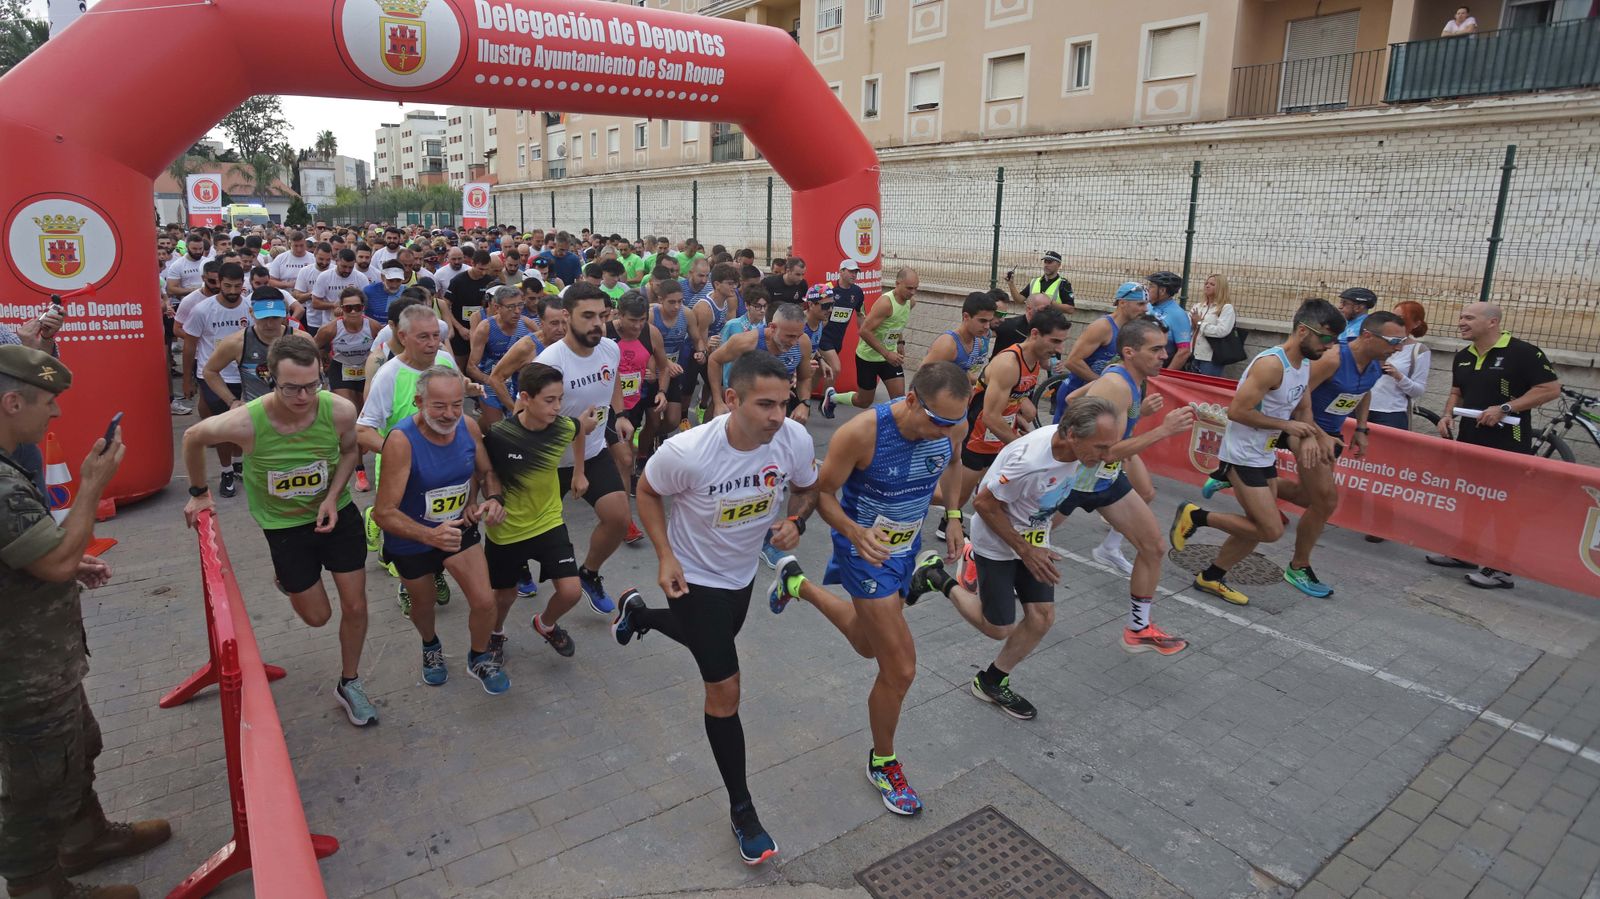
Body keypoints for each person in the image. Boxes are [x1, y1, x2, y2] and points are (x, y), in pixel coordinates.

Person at [609, 352, 816, 866]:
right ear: (731, 399)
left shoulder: (794, 439)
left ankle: (639, 614)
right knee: (724, 689)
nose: (777, 415)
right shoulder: (690, 451)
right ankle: (743, 810)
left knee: (704, 638)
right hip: (695, 577)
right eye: (764, 404)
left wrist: (797, 522)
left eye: (784, 403)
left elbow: (810, 489)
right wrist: (665, 554)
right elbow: (648, 491)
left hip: (742, 574)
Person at [0, 346, 169, 899]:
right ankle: (38, 888)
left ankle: (85, 837)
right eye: (48, 403)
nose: (55, 415)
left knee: (77, 746)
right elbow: (50, 560)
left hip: (42, 659)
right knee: (36, 781)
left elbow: (37, 556)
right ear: (12, 401)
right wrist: (93, 482)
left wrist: (68, 564)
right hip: (19, 673)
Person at [764, 363, 969, 813]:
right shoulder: (861, 433)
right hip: (865, 552)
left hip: (906, 545)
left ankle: (795, 582)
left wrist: (952, 516)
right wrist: (855, 534)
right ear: (912, 399)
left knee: (865, 642)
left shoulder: (951, 424)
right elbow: (823, 493)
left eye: (954, 423)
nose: (945, 431)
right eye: (938, 421)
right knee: (900, 670)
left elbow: (955, 465)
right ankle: (883, 762)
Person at [181, 338, 376, 726]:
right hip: (284, 527)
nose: (302, 396)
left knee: (355, 605)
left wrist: (333, 495)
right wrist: (199, 494)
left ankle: (349, 682)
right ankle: (288, 579)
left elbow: (351, 452)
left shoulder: (338, 410)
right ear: (270, 378)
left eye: (311, 385)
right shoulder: (245, 421)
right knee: (318, 617)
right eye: (291, 388)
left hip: (335, 516)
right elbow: (192, 438)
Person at [1169, 299, 1347, 606]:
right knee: (1270, 528)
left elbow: (1304, 409)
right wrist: (1286, 427)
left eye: (1336, 342)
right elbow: (1237, 411)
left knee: (1255, 525)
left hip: (1263, 454)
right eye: (1327, 339)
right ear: (1304, 332)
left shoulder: (1303, 365)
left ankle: (1211, 577)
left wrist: (1316, 438)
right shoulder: (1271, 364)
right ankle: (1196, 515)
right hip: (1240, 455)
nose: (1331, 348)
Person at [1059, 319, 1196, 651]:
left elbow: (1075, 396)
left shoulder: (1133, 381)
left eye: (1165, 348)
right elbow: (1107, 453)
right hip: (1076, 479)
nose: (1165, 355)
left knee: (1153, 547)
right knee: (1021, 535)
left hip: (1105, 480)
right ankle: (975, 552)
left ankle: (1138, 628)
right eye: (1156, 350)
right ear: (1130, 352)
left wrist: (1136, 410)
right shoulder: (1117, 385)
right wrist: (1162, 430)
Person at [372, 366, 510, 693]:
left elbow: (486, 471)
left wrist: (490, 499)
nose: (449, 414)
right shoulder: (401, 441)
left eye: (456, 405)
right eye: (439, 406)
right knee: (424, 604)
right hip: (411, 538)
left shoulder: (469, 427)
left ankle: (479, 657)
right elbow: (383, 513)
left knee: (485, 600)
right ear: (419, 402)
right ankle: (430, 645)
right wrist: (428, 535)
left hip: (459, 528)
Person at [1425, 302, 1560, 589]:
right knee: (1473, 499)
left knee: (1505, 506)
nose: (1461, 321)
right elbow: (1456, 391)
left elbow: (1550, 388)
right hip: (1470, 442)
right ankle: (1466, 553)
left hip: (1508, 444)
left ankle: (1501, 570)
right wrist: (1447, 414)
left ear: (1492, 322)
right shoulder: (1462, 355)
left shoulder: (1522, 352)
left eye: (1468, 317)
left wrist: (1506, 407)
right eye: (1460, 316)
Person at [482, 362, 597, 662]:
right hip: (507, 529)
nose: (557, 407)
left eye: (560, 398)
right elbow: (486, 473)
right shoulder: (499, 435)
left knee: (571, 591)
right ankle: (495, 633)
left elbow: (580, 431)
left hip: (548, 522)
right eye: (549, 400)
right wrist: (487, 502)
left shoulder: (562, 426)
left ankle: (544, 624)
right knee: (504, 597)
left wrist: (579, 472)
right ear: (525, 398)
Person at [356, 304, 462, 615]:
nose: (432, 344)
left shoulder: (444, 360)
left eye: (436, 336)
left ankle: (435, 573)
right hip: (401, 471)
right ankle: (409, 583)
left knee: (442, 523)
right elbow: (363, 430)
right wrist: (402, 455)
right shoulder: (389, 374)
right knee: (411, 535)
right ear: (402, 337)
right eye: (423, 337)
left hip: (444, 466)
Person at [534, 284, 633, 616]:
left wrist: (618, 416)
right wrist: (576, 429)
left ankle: (589, 574)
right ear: (566, 316)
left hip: (591, 452)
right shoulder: (550, 361)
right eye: (587, 316)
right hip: (547, 462)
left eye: (602, 316)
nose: (597, 324)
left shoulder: (609, 349)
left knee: (618, 519)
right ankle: (516, 570)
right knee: (528, 538)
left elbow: (613, 381)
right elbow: (531, 420)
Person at [952, 306, 1071, 529]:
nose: (1059, 349)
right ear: (1035, 334)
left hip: (1000, 438)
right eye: (1055, 341)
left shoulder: (1035, 360)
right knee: (952, 499)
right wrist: (1028, 446)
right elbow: (989, 417)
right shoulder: (1008, 364)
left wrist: (1024, 423)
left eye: (1062, 342)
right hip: (978, 437)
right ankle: (906, 501)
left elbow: (1013, 402)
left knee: (994, 496)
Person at [183, 262, 250, 497]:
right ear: (219, 283)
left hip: (244, 373)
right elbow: (190, 345)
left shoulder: (250, 308)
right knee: (224, 425)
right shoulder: (203, 310)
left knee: (244, 423)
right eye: (228, 286)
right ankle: (226, 471)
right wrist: (187, 380)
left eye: (237, 286)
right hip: (212, 375)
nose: (232, 291)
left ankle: (239, 462)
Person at [822, 267, 919, 415]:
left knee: (899, 401)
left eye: (916, 288)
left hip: (890, 357)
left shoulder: (910, 302)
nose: (912, 292)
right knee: (864, 401)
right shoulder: (886, 304)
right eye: (909, 288)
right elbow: (864, 331)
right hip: (868, 357)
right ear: (897, 283)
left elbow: (897, 323)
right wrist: (887, 353)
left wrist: (900, 343)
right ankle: (833, 398)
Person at [315, 287, 382, 491]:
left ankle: (361, 446)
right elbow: (314, 345)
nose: (353, 312)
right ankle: (359, 471)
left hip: (366, 373)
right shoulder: (331, 329)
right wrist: (322, 362)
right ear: (341, 309)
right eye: (348, 308)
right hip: (341, 369)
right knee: (350, 416)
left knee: (365, 418)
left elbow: (385, 348)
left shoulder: (373, 327)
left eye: (358, 307)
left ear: (364, 307)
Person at [201, 289, 316, 407]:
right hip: (255, 413)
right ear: (251, 312)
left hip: (294, 410)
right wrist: (232, 401)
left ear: (285, 314)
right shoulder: (237, 342)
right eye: (263, 318)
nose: (269, 324)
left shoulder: (302, 340)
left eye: (275, 317)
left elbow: (318, 374)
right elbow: (209, 371)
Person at [1056, 282, 1150, 422]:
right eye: (1141, 304)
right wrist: (1103, 383)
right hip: (1076, 395)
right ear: (1123, 303)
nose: (1146, 309)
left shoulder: (1130, 329)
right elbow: (1072, 361)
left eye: (1146, 304)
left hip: (1101, 398)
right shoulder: (1103, 327)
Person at [468, 285, 533, 428]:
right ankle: (479, 435)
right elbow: (471, 367)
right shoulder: (486, 328)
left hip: (517, 384)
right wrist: (490, 381)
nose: (517, 311)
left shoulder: (527, 324)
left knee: (517, 426)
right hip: (491, 383)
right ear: (497, 307)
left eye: (520, 305)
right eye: (511, 307)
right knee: (495, 428)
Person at [1368, 300, 1431, 433]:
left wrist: (1398, 376)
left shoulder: (1419, 350)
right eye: (1393, 316)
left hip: (1391, 413)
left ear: (1416, 323)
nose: (1395, 322)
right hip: (1361, 406)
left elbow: (1418, 391)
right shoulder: (1376, 341)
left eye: (1401, 318)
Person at [1189, 273, 1238, 377]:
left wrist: (1199, 323)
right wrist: (1193, 324)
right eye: (1206, 283)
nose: (1207, 285)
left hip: (1211, 358)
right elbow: (1189, 325)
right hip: (1193, 354)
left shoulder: (1226, 308)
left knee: (1205, 389)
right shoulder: (1198, 306)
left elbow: (1222, 331)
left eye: (1212, 284)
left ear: (1220, 288)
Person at [1145, 271, 1192, 371]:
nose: (1147, 289)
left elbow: (1184, 351)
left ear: (1162, 291)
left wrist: (1165, 377)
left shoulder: (1178, 315)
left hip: (1161, 369)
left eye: (1151, 286)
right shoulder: (1147, 306)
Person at [1003, 250, 1075, 313]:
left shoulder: (1063, 284)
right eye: (1045, 262)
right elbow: (1019, 300)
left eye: (1049, 262)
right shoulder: (1034, 282)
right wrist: (1011, 284)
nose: (1046, 265)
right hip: (1033, 324)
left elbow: (1070, 309)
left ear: (1059, 265)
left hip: (1051, 325)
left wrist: (1050, 302)